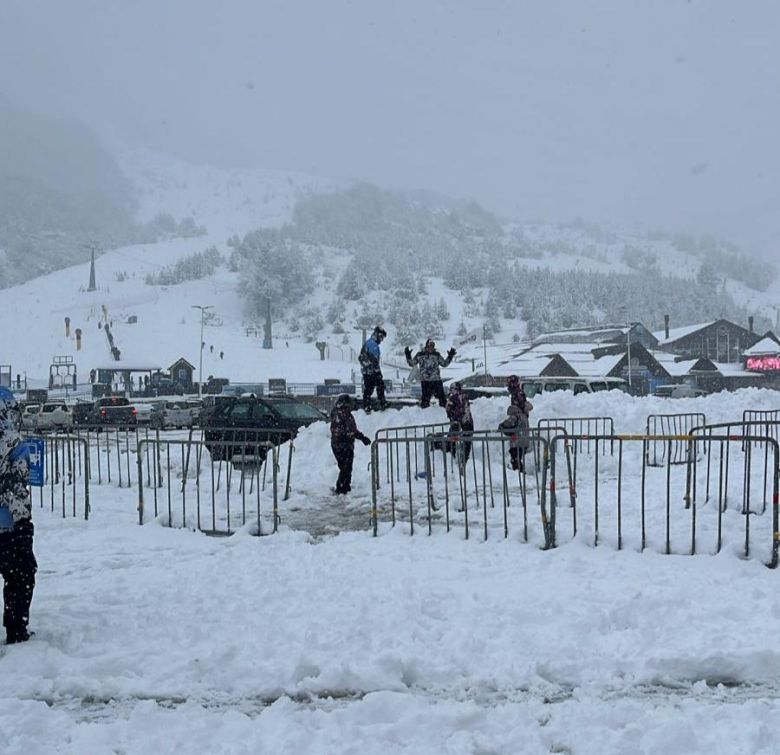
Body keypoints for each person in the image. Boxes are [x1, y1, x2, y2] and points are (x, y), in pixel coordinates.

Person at [0, 387, 36, 645]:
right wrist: (23, 521)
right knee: (20, 575)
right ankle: (16, 629)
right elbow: (15, 484)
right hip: (7, 526)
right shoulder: (12, 441)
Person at [330, 394, 371, 494]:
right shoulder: (344, 414)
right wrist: (361, 437)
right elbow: (350, 430)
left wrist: (360, 437)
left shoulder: (337, 412)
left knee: (344, 467)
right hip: (344, 444)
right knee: (346, 468)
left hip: (337, 444)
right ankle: (342, 488)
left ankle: (344, 487)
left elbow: (347, 430)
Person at [404, 339, 456, 408]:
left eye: (432, 346)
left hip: (436, 380)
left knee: (442, 400)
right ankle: (425, 416)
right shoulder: (420, 355)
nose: (431, 347)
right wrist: (408, 355)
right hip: (426, 381)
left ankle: (444, 414)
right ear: (426, 346)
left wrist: (450, 356)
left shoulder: (436, 355)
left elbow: (444, 364)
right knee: (425, 401)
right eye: (430, 346)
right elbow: (412, 363)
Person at [358, 326, 387, 412]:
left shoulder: (369, 343)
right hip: (371, 371)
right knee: (378, 386)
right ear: (378, 335)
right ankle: (381, 402)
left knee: (369, 388)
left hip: (367, 371)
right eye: (381, 338)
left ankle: (368, 405)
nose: (381, 340)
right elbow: (374, 360)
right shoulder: (373, 345)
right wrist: (378, 372)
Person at [445, 382, 474, 465]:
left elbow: (453, 411)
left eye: (452, 389)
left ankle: (453, 461)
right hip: (467, 423)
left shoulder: (455, 398)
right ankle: (464, 461)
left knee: (452, 442)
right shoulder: (464, 397)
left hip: (459, 423)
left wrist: (453, 417)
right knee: (466, 443)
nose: (451, 391)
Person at [498, 403, 533, 472]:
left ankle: (520, 473)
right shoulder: (523, 416)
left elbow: (508, 423)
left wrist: (501, 426)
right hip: (524, 441)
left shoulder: (516, 416)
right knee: (517, 458)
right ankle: (520, 473)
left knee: (515, 459)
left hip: (517, 442)